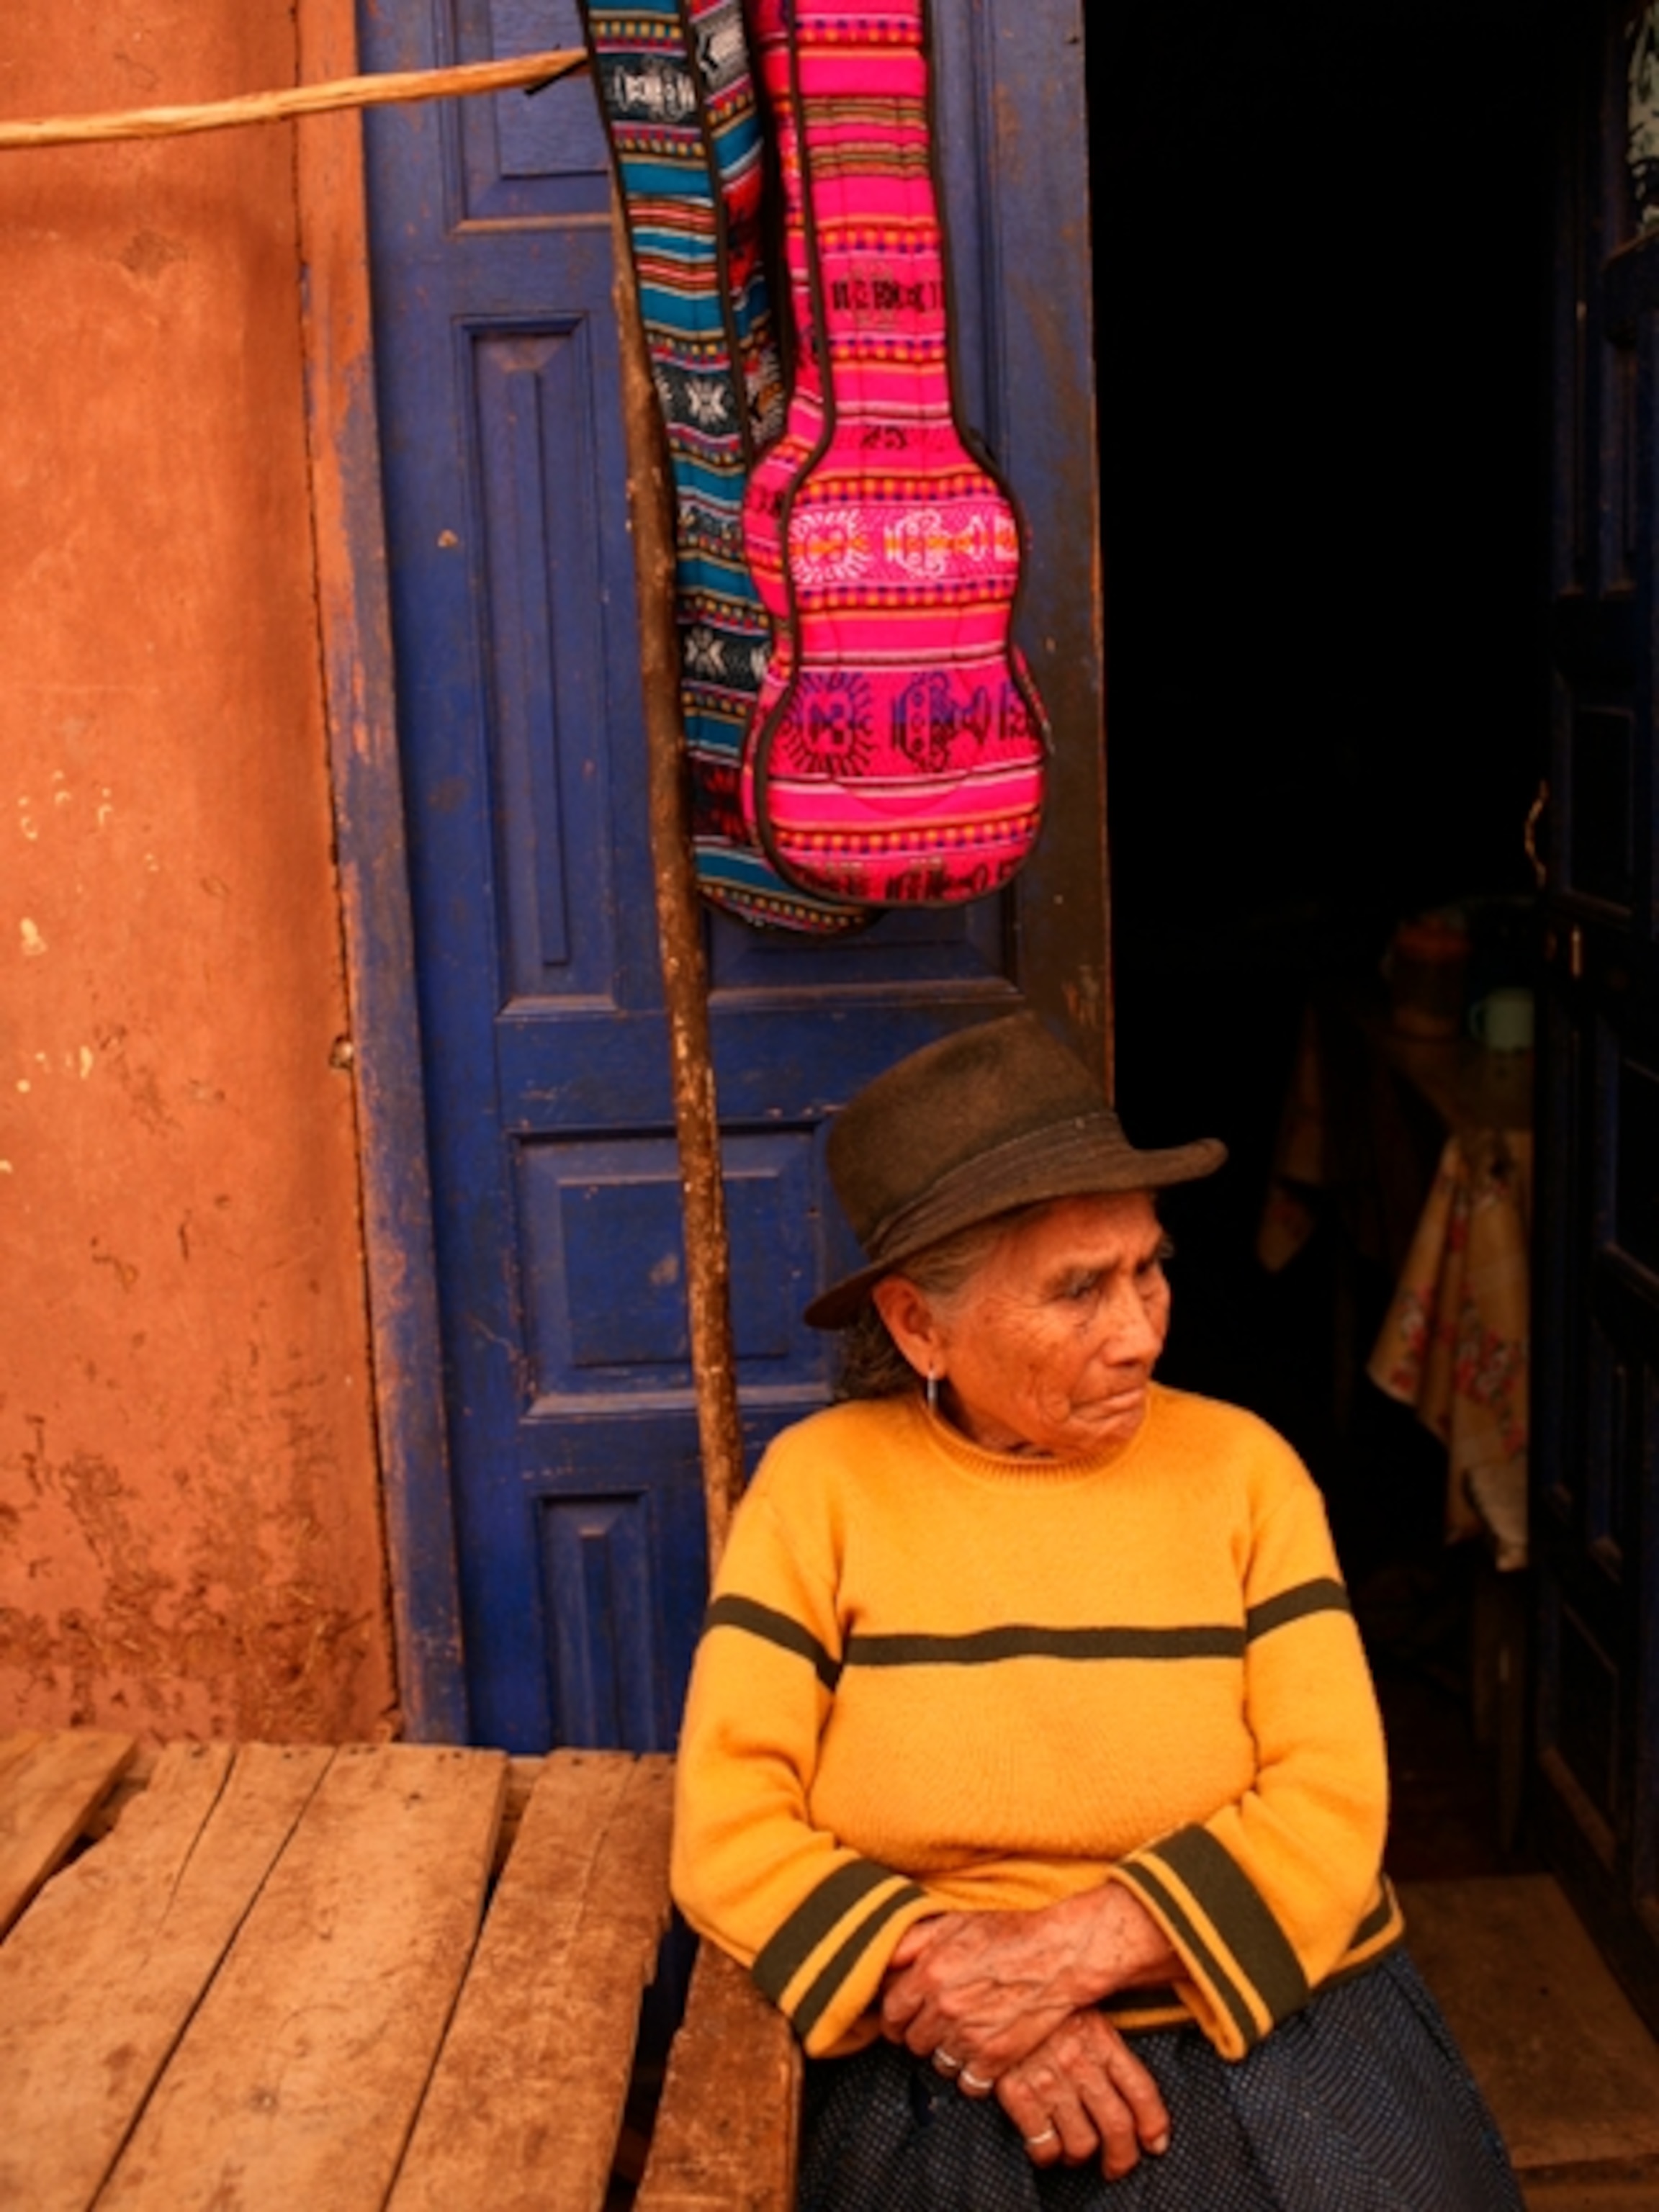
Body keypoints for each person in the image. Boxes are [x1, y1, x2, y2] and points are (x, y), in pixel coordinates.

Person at [671, 1012, 1523, 2209]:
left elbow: (1331, 1804)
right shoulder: (821, 1487)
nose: (1138, 1333)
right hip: (933, 2056)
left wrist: (1077, 1951)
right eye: (1078, 1292)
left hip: (1264, 2031)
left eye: (1149, 1269)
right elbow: (728, 1821)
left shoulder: (1245, 1470)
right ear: (921, 1325)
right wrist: (982, 1999)